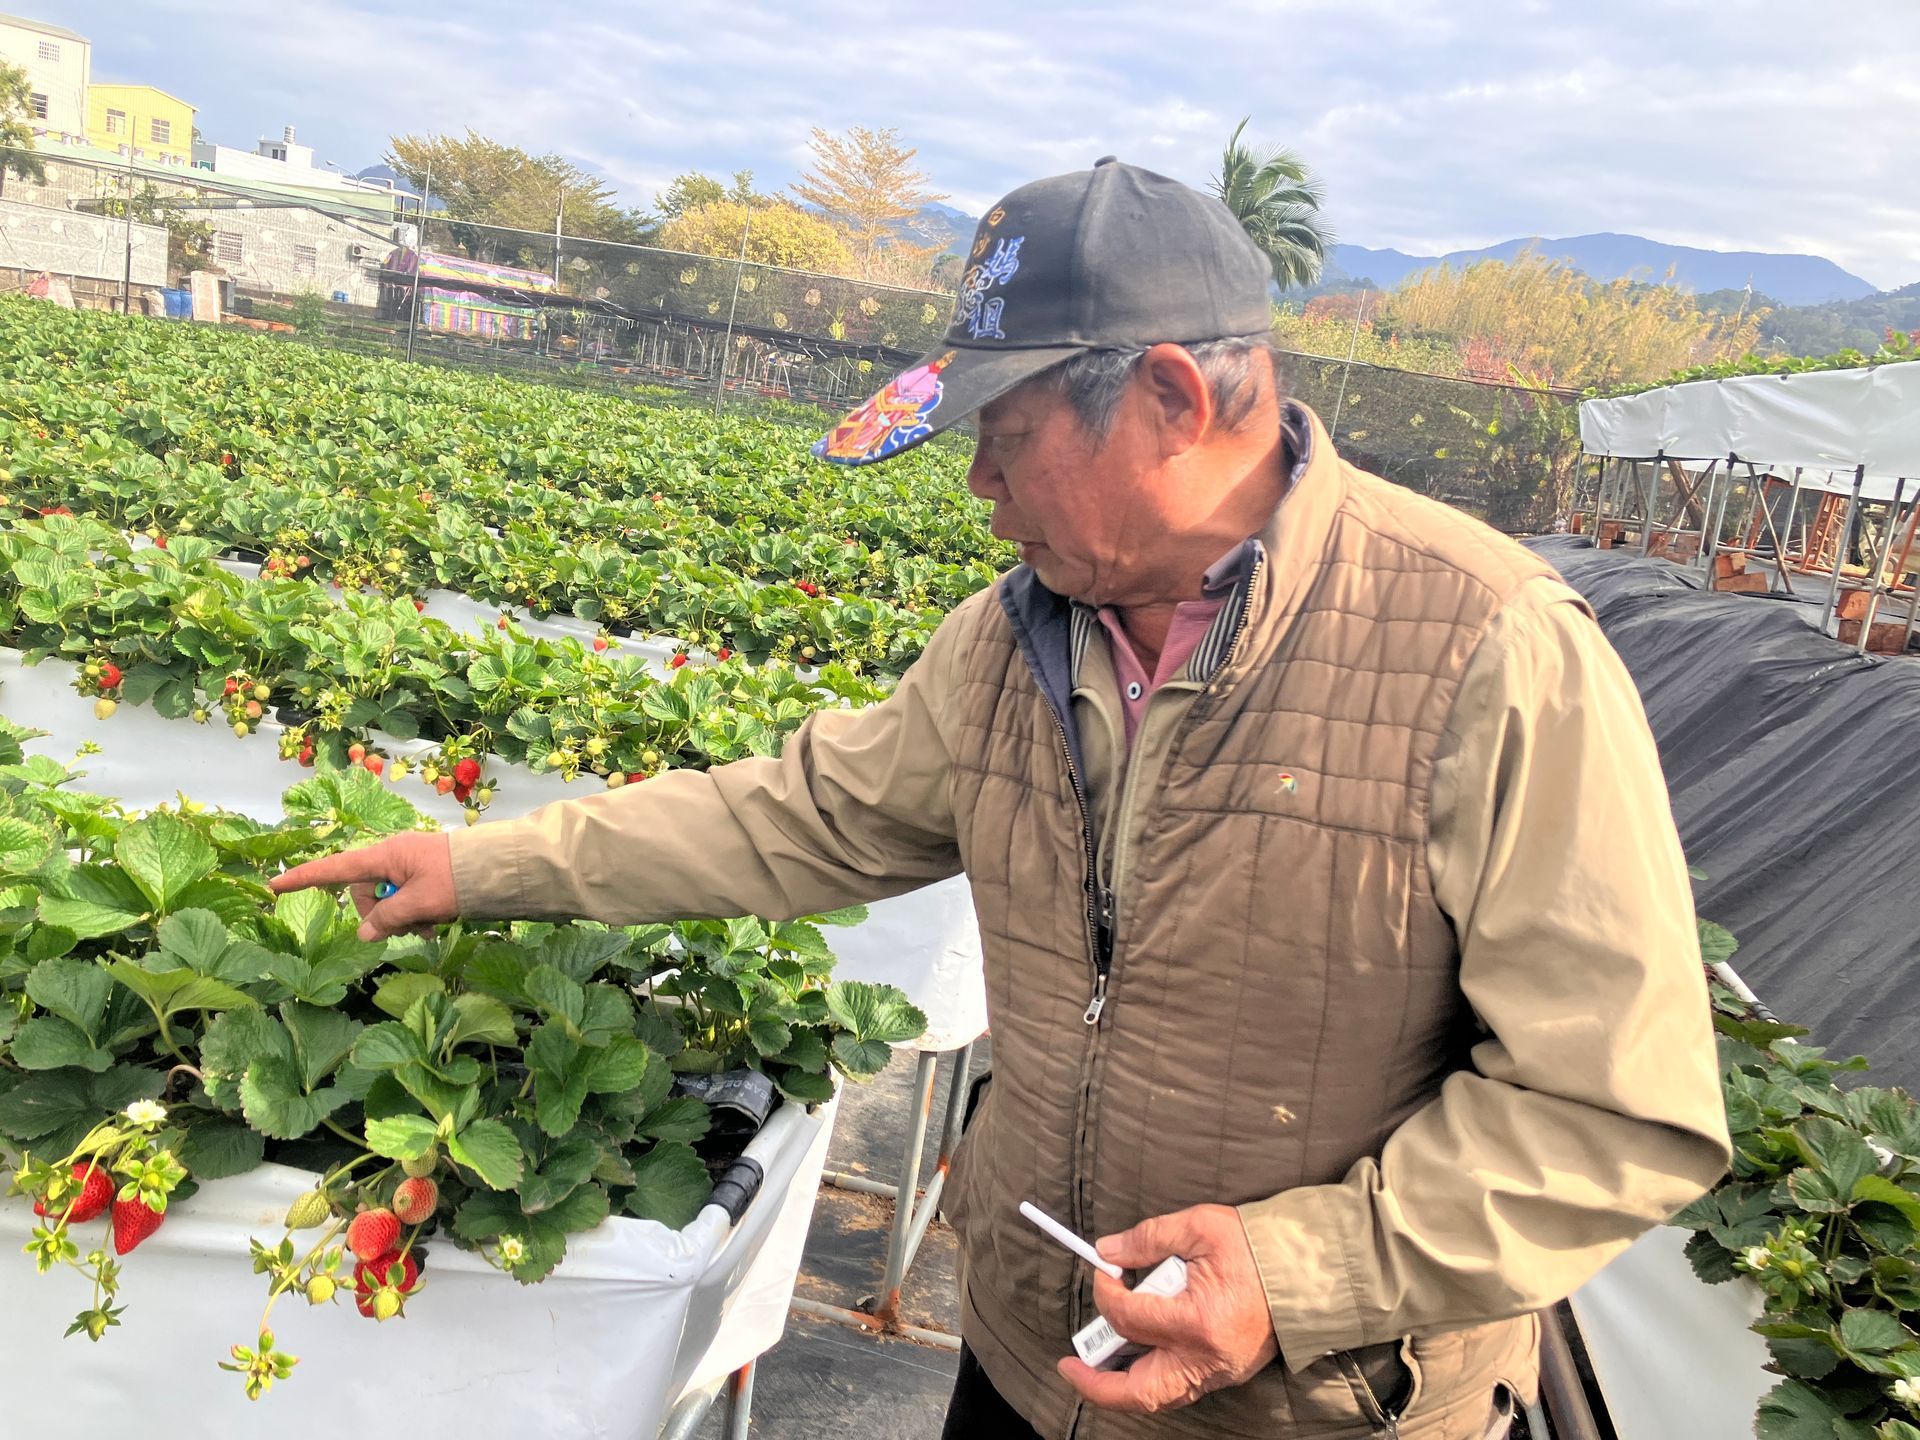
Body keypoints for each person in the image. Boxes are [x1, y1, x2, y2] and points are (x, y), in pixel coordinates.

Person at [272, 159, 1732, 1440]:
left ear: (1170, 399)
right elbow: (801, 813)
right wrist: (482, 866)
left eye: (1007, 433)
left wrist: (1294, 1277)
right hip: (1031, 1363)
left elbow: (1616, 1112)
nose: (976, 480)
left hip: (1316, 1412)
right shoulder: (1011, 638)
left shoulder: (1488, 650)